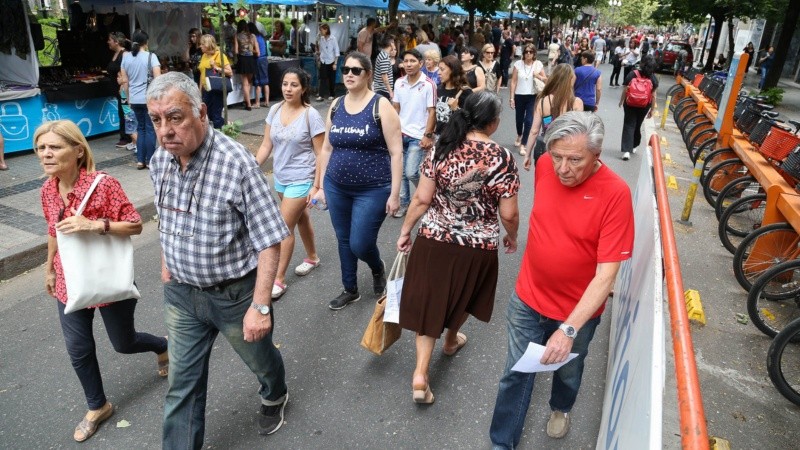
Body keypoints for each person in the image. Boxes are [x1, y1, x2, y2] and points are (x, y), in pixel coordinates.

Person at [147, 72, 290, 447]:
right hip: (182, 295)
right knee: (182, 386)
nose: (165, 131)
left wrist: (260, 306)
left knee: (261, 361)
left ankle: (275, 391)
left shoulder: (236, 163)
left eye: (175, 117)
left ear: (202, 113)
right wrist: (168, 261)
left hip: (235, 295)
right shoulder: (160, 160)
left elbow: (270, 239)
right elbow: (167, 215)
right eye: (156, 120)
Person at [489, 111, 634, 447]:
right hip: (528, 296)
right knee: (516, 373)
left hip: (576, 313)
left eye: (575, 160)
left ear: (597, 155)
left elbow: (606, 274)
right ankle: (502, 442)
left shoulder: (616, 194)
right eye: (557, 157)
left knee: (568, 370)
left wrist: (568, 329)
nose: (563, 169)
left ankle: (561, 407)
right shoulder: (543, 166)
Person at [35, 119, 168, 442]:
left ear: (78, 150)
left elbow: (135, 225)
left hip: (107, 277)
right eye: (41, 148)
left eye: (55, 147)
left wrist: (94, 225)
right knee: (78, 348)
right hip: (70, 279)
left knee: (124, 343)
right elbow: (55, 231)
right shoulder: (47, 189)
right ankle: (98, 406)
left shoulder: (103, 184)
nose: (46, 154)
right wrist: (50, 267)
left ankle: (164, 347)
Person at [397, 92, 520, 406]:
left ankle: (420, 374)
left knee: (430, 302)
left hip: (433, 239)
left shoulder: (443, 145)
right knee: (466, 294)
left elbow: (422, 199)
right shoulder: (502, 157)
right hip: (475, 246)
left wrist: (406, 229)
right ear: (493, 123)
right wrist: (512, 236)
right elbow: (509, 213)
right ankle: (450, 339)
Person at [310, 52, 402, 310]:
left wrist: (395, 194)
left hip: (373, 189)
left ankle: (377, 266)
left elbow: (396, 152)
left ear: (368, 74)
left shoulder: (380, 105)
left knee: (360, 242)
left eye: (356, 70)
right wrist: (319, 186)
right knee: (343, 239)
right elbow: (326, 149)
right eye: (346, 69)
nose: (349, 74)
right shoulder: (336, 104)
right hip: (337, 186)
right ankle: (350, 288)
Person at [255, 68, 324, 299]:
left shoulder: (310, 115)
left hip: (302, 178)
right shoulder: (274, 110)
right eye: (285, 84)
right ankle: (313, 257)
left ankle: (278, 279)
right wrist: (252, 167)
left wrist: (317, 185)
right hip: (281, 178)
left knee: (283, 228)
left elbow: (320, 153)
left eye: (294, 85)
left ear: (303, 88)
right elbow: (266, 145)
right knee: (301, 218)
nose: (287, 89)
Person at [392, 49, 437, 218]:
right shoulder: (399, 83)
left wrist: (428, 135)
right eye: (405, 61)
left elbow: (432, 112)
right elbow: (396, 107)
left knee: (411, 172)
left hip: (418, 135)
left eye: (412, 61)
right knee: (400, 172)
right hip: (399, 133)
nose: (408, 64)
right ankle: (405, 204)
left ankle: (426, 196)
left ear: (421, 63)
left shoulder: (428, 84)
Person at [522, 63, 583, 169]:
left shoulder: (542, 101)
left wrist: (527, 155)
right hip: (567, 153)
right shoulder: (576, 102)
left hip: (545, 150)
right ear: (571, 80)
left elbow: (534, 131)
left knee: (544, 182)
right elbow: (580, 131)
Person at [119, 29, 161, 170]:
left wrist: (129, 98)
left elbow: (124, 81)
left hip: (134, 99)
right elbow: (158, 79)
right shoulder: (151, 57)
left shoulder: (126, 58)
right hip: (149, 98)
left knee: (140, 129)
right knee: (150, 129)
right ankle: (150, 160)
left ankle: (140, 160)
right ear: (146, 42)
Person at [619, 54, 658, 160]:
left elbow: (625, 89)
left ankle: (627, 151)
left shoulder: (633, 74)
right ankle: (634, 145)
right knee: (637, 125)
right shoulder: (653, 78)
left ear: (642, 63)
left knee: (628, 125)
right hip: (644, 105)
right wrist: (652, 109)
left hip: (630, 103)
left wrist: (621, 101)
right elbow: (654, 95)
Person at [509, 44, 546, 155]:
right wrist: (511, 98)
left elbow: (546, 80)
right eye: (526, 52)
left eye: (530, 52)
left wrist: (537, 75)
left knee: (529, 120)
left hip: (532, 96)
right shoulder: (518, 64)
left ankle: (523, 144)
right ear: (523, 53)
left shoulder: (538, 64)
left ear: (534, 53)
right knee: (519, 120)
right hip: (519, 95)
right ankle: (519, 134)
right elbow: (514, 81)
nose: (528, 54)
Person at [197, 34, 232, 129]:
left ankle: (220, 130)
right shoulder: (204, 55)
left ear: (208, 44)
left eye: (202, 44)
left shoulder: (219, 55)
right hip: (206, 89)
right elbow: (202, 73)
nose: (200, 46)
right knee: (205, 113)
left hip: (216, 89)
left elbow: (229, 72)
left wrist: (216, 67)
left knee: (215, 114)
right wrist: (200, 90)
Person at [435, 55, 473, 135]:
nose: (438, 73)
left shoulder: (465, 91)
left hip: (455, 138)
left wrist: (456, 108)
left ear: (453, 70)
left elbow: (471, 119)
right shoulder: (439, 89)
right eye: (438, 69)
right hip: (439, 137)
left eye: (442, 69)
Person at [107, 32, 132, 148]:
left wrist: (123, 86)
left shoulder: (125, 54)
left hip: (123, 89)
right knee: (122, 112)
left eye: (110, 40)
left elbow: (127, 72)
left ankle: (128, 137)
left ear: (116, 42)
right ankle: (125, 136)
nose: (108, 42)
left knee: (126, 112)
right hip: (118, 90)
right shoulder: (115, 54)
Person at [235, 20, 259, 111]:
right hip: (251, 60)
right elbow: (257, 51)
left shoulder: (237, 36)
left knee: (245, 83)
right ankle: (247, 100)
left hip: (242, 60)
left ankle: (248, 104)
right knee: (249, 82)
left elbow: (236, 51)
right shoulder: (252, 36)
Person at [316, 23, 340, 101]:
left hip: (332, 61)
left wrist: (335, 63)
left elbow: (337, 51)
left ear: (326, 30)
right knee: (322, 78)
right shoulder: (321, 39)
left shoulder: (333, 39)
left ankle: (332, 94)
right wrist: (319, 59)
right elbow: (320, 50)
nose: (320, 32)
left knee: (331, 79)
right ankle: (321, 95)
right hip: (323, 60)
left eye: (321, 30)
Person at [251, 22, 270, 108]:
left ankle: (257, 102)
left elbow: (256, 52)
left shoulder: (253, 37)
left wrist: (250, 49)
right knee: (265, 81)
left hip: (258, 60)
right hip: (264, 58)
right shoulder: (261, 36)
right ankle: (266, 101)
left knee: (258, 82)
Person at [372, 35, 395, 100]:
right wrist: (390, 91)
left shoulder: (383, 55)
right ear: (391, 44)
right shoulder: (384, 57)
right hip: (383, 90)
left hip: (382, 90)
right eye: (393, 42)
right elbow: (384, 76)